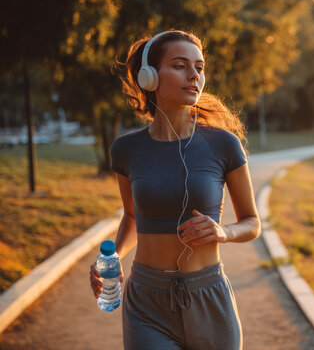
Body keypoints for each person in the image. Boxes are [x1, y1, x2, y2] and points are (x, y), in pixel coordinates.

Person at [88, 29, 260, 350]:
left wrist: (223, 231)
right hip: (146, 302)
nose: (193, 75)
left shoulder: (224, 144)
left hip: (208, 296)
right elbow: (132, 216)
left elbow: (252, 222)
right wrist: (109, 258)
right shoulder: (126, 149)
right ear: (149, 77)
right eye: (180, 65)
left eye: (199, 67)